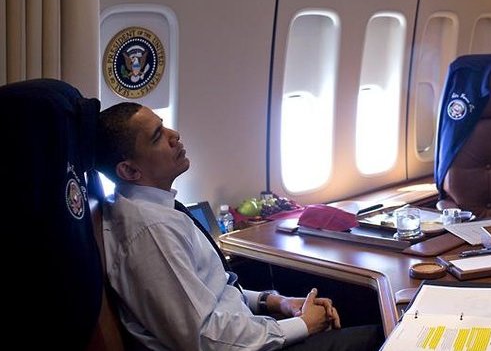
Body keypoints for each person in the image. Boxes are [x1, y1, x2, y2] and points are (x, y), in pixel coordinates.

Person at [95, 102, 383, 350]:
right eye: (158, 136)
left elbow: (212, 291)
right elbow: (205, 338)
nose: (175, 135)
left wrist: (275, 302)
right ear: (130, 170)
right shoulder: (151, 231)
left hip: (244, 331)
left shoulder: (158, 211)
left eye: (165, 127)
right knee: (380, 335)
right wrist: (302, 325)